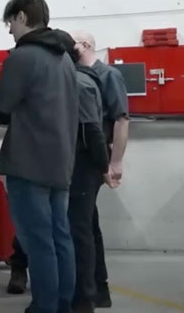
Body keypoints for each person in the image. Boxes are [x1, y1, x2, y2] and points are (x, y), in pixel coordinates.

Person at [0, 0, 78, 313]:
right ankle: (63, 305)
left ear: (22, 17)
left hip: (29, 163)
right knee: (60, 238)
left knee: (38, 242)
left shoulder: (22, 57)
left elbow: (1, 108)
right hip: (61, 162)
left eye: (10, 22)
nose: (9, 30)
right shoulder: (64, 57)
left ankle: (44, 307)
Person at [72, 31, 129, 309]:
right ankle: (97, 288)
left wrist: (114, 161)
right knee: (88, 223)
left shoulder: (107, 76)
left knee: (82, 225)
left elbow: (121, 120)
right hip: (89, 159)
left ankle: (91, 291)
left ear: (84, 45)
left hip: (94, 159)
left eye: (70, 43)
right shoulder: (78, 75)